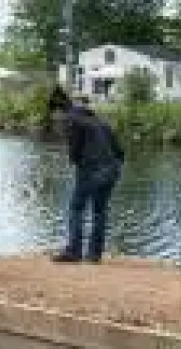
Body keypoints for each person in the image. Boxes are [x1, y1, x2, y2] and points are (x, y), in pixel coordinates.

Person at [47, 87, 124, 262]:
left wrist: (76, 163)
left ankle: (74, 252)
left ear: (58, 110)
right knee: (99, 211)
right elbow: (119, 151)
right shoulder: (100, 121)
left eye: (54, 114)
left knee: (76, 208)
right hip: (112, 169)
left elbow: (75, 150)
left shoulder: (71, 120)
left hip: (92, 169)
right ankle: (94, 255)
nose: (55, 119)